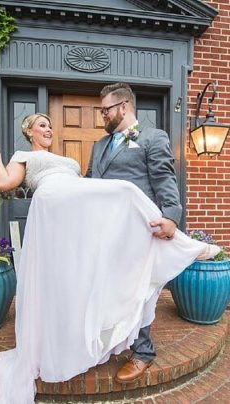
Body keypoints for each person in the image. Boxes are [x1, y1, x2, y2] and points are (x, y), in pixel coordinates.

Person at [0, 112, 219, 404]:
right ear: (29, 131)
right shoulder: (23, 155)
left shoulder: (65, 159)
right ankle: (186, 245)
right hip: (53, 202)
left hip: (75, 208)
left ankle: (178, 245)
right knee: (125, 190)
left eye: (50, 125)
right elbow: (3, 183)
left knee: (86, 270)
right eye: (42, 125)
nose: (49, 129)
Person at [84, 82, 212, 383]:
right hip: (104, 231)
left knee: (137, 290)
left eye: (106, 110)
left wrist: (171, 216)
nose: (102, 115)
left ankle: (142, 352)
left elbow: (163, 177)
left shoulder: (153, 137)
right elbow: (90, 181)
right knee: (107, 286)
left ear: (124, 106)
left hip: (137, 231)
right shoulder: (98, 145)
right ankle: (112, 340)